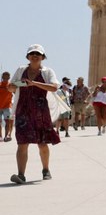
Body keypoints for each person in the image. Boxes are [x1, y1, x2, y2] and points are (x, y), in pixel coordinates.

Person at [10, 45, 61, 184]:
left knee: (42, 143)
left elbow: (54, 87)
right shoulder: (21, 70)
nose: (34, 55)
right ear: (27, 56)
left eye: (38, 54)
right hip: (23, 110)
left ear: (43, 57)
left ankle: (46, 169)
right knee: (22, 143)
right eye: (32, 53)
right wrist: (16, 85)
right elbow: (10, 87)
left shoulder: (47, 71)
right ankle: (21, 175)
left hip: (40, 111)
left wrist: (34, 84)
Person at [0, 72, 14, 142]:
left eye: (7, 77)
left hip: (7, 106)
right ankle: (0, 136)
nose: (5, 78)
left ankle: (6, 136)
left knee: (8, 121)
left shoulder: (11, 85)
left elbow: (24, 83)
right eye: (4, 76)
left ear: (9, 78)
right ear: (2, 77)